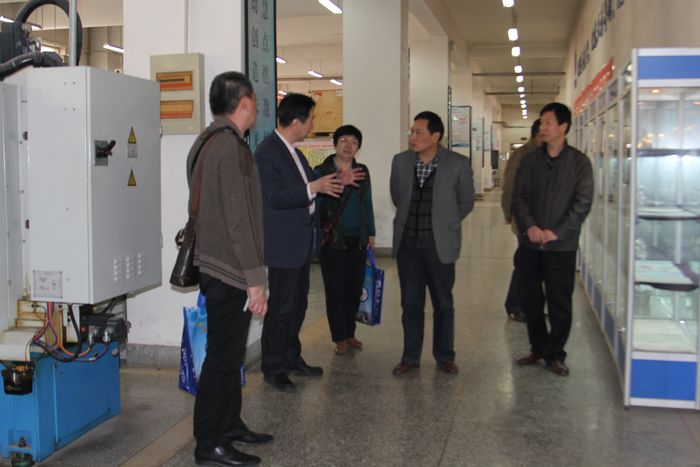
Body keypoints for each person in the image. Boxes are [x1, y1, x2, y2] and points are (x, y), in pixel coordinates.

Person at [187, 71, 270, 467]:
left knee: (230, 354)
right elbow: (239, 221)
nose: (256, 108)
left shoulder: (206, 140)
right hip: (229, 270)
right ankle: (210, 443)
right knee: (222, 359)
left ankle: (229, 424)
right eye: (254, 101)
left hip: (215, 264)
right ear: (245, 103)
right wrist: (255, 281)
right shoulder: (230, 146)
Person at [255, 93, 364, 392]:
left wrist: (337, 182)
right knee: (281, 308)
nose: (314, 124)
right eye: (312, 118)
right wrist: (314, 186)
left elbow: (311, 184)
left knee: (298, 305)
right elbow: (273, 197)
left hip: (300, 243)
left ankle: (291, 357)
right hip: (284, 245)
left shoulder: (294, 152)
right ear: (296, 121)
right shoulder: (268, 153)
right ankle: (274, 366)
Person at [390, 111, 475, 376]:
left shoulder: (458, 164)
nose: (413, 137)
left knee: (443, 303)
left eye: (419, 132)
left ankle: (445, 356)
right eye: (412, 132)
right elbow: (397, 196)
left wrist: (445, 223)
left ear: (436, 136)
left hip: (440, 246)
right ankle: (410, 357)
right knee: (411, 303)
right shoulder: (401, 162)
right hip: (408, 245)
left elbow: (466, 201)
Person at [512, 102, 593, 377]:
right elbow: (518, 197)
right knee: (530, 300)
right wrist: (530, 226)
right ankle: (537, 347)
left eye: (548, 122)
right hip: (530, 245)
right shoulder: (529, 161)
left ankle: (555, 354)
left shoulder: (579, 163)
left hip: (561, 246)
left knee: (560, 302)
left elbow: (582, 203)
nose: (542, 127)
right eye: (541, 122)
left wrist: (557, 232)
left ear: (563, 127)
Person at [314, 125, 376, 355]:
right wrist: (340, 182)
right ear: (335, 144)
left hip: (357, 238)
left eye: (354, 142)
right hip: (332, 239)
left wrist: (371, 232)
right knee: (335, 289)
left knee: (354, 287)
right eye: (344, 141)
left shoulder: (362, 171)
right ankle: (339, 337)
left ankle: (350, 333)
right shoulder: (322, 171)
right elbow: (316, 204)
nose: (348, 146)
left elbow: (366, 202)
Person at [500, 119, 541, 322]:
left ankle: (528, 304)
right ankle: (515, 304)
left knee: (534, 263)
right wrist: (508, 213)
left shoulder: (548, 154)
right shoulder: (522, 154)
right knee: (526, 261)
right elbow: (509, 185)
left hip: (543, 220)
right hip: (525, 218)